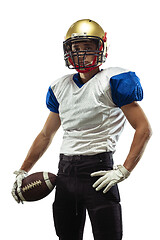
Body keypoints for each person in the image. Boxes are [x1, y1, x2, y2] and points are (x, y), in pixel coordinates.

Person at [12, 19, 151, 240]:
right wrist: (23, 170)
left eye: (88, 48)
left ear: (101, 49)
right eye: (76, 48)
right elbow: (47, 134)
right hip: (65, 174)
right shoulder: (60, 86)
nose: (81, 54)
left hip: (98, 172)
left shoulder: (114, 80)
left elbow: (143, 128)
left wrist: (124, 169)